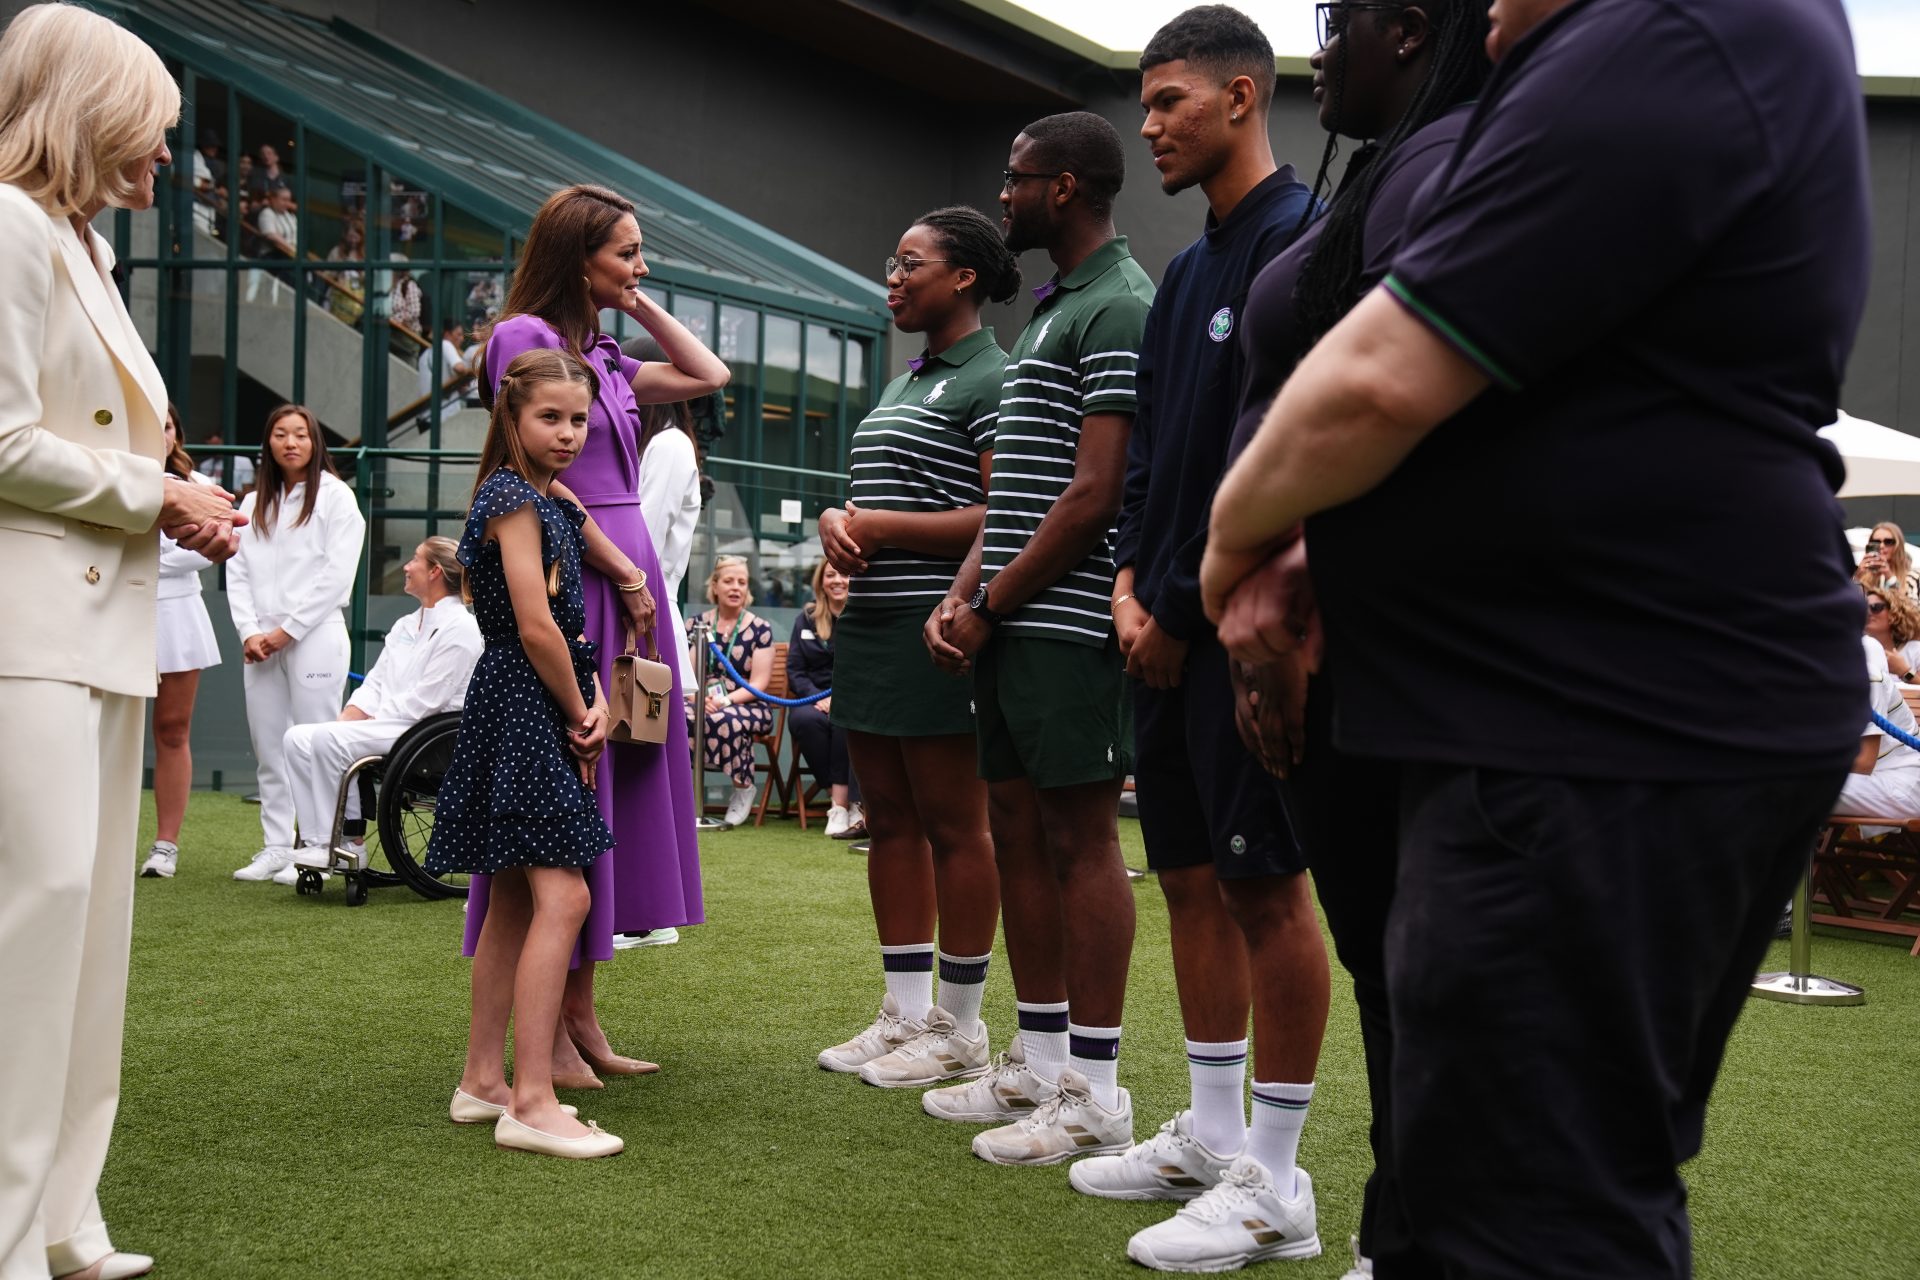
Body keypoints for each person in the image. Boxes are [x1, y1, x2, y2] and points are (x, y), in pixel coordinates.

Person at [1201, 0, 1869, 1275]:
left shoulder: (1684, 23)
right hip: (1551, 707)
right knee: (1486, 1183)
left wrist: (1236, 554)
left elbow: (1382, 372)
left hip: (1603, 709)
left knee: (1529, 1206)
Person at [1138, 3, 1487, 1275]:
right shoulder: (1262, 239)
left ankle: (1283, 1179)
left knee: (1412, 966)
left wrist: (1216, 580)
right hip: (1267, 634)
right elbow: (1179, 455)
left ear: (1412, 32)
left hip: (1368, 643)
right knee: (1382, 959)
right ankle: (1373, 1223)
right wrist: (1172, 581)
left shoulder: (1441, 171)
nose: (1322, 45)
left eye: (1341, 23)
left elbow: (1378, 396)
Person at [1078, 8, 1327, 1272]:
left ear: (1242, 96)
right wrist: (1130, 583)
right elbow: (1156, 465)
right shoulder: (1183, 277)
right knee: (1189, 874)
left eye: (1170, 99)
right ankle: (1216, 1133)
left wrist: (1178, 607)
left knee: (1268, 887)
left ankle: (1278, 1182)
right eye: (1144, 100)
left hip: (1237, 638)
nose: (1151, 124)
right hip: (1161, 623)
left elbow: (1268, 464)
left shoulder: (1302, 241)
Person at [0, 7, 244, 1277]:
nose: (167, 156)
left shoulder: (74, 245)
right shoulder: (7, 228)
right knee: (30, 928)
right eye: (153, 129)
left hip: (94, 630)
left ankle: (63, 1217)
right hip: (25, 632)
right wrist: (163, 495)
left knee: (89, 936)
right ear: (89, 110)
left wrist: (174, 501)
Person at [922, 112, 1152, 1165]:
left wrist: (995, 600)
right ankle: (1039, 1055)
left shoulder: (1122, 305)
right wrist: (965, 592)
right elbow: (1016, 489)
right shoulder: (1059, 308)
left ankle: (1095, 1090)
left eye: (1015, 180)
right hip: (1013, 618)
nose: (1001, 195)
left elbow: (1096, 495)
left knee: (1079, 841)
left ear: (1063, 188)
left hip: (1062, 624)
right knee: (1016, 830)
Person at [468, 183, 727, 1088]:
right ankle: (558, 1028)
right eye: (627, 253)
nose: (641, 264)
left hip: (631, 573)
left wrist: (634, 299)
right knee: (574, 785)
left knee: (621, 782)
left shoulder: (606, 356)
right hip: (584, 564)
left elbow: (709, 376)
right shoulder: (524, 342)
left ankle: (580, 1012)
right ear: (578, 257)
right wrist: (613, 562)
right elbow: (523, 472)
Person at [813, 205, 1015, 1091]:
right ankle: (901, 1013)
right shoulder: (906, 382)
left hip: (937, 631)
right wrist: (834, 524)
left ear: (963, 277)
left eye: (910, 264)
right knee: (887, 821)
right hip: (868, 627)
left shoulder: (994, 377)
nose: (893, 278)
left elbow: (1006, 509)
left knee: (953, 826)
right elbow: (868, 498)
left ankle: (960, 1025)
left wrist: (878, 527)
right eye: (890, 264)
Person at [428, 347, 620, 1159]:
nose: (569, 432)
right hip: (523, 703)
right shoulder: (512, 496)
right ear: (511, 417)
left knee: (512, 897)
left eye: (579, 419)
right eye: (550, 417)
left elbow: (558, 633)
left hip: (532, 699)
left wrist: (595, 700)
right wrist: (582, 710)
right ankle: (532, 1100)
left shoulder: (540, 498)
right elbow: (534, 625)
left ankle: (482, 1080)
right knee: (564, 898)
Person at [284, 537, 482, 877]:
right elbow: (374, 683)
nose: (406, 566)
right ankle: (318, 842)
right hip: (394, 726)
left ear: (435, 571)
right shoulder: (406, 624)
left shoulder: (462, 628)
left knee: (328, 740)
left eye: (415, 559)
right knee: (297, 738)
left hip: (431, 737)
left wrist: (365, 723)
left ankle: (350, 843)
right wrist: (350, 717)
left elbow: (428, 700)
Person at [227, 404, 368, 884]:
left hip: (314, 634)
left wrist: (286, 631)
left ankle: (323, 847)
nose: (290, 443)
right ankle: (276, 846)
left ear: (315, 443)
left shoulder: (336, 497)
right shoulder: (250, 504)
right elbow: (237, 571)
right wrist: (249, 632)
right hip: (260, 641)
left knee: (316, 741)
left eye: (301, 435)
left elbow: (335, 575)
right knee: (269, 745)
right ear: (268, 443)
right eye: (281, 434)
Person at [142, 404, 227, 880]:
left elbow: (196, 556)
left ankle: (165, 845)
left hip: (177, 613)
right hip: (115, 610)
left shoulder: (197, 487)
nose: (161, 434)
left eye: (168, 425)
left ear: (178, 433)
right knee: (111, 732)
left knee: (172, 730)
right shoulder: (113, 483)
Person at [624, 334, 703, 692]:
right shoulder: (656, 443)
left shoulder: (669, 445)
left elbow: (645, 538)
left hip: (642, 604)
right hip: (638, 601)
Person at [691, 554, 775, 826]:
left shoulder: (761, 629)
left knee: (725, 719)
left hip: (746, 702)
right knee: (676, 717)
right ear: (714, 586)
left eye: (742, 582)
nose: (736, 587)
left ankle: (743, 787)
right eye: (728, 581)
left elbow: (759, 683)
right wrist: (699, 699)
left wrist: (725, 700)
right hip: (700, 699)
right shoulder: (696, 625)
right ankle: (683, 794)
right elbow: (686, 675)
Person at [785, 559, 862, 836]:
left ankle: (843, 805)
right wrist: (817, 698)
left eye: (843, 574)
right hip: (813, 700)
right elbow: (795, 669)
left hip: (852, 699)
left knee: (845, 721)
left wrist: (839, 700)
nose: (837, 580)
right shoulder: (805, 618)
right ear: (821, 582)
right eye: (830, 575)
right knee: (804, 721)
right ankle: (843, 802)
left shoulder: (862, 616)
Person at [1836, 622, 1920, 824]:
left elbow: (1864, 762)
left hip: (1904, 783)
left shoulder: (1866, 675)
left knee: (1795, 786)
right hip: (1872, 781)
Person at [246, 181, 296, 305]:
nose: (286, 203)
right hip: (271, 256)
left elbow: (294, 236)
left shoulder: (290, 216)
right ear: (273, 199)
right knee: (268, 290)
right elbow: (271, 235)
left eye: (288, 200)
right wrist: (291, 248)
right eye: (283, 199)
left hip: (289, 256)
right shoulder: (267, 213)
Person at [1864, 580, 1920, 679]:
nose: (1868, 613)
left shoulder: (1916, 651)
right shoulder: (1861, 649)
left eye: (1875, 607)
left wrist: (1904, 671)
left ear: (1895, 611)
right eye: (1864, 608)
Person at [419, 319, 472, 419]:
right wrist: (468, 373)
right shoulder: (446, 345)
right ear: (447, 334)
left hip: (425, 416)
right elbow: (459, 368)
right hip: (444, 415)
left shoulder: (425, 354)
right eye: (458, 334)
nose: (462, 339)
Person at [1856, 521, 1918, 597]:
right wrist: (1857, 577)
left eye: (1888, 542)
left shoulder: (1913, 577)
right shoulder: (1864, 576)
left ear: (1898, 545)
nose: (1881, 546)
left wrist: (1889, 577)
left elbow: (1911, 606)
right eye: (1876, 542)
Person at [323, 218, 365, 325]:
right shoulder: (336, 252)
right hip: (336, 296)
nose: (353, 241)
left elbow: (366, 279)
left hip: (355, 300)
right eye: (351, 237)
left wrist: (359, 273)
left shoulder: (364, 256)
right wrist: (338, 273)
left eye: (356, 237)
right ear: (345, 236)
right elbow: (326, 274)